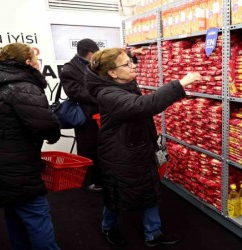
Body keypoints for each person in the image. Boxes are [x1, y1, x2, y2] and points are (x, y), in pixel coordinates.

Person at [84, 47, 201, 247]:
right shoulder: (107, 93)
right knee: (116, 193)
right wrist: (180, 84)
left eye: (132, 62)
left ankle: (153, 234)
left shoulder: (123, 82)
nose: (133, 66)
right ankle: (108, 227)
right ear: (112, 73)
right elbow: (142, 105)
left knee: (149, 190)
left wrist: (129, 52)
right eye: (127, 64)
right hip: (118, 154)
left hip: (139, 147)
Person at [0, 43, 61, 249]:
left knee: (14, 214)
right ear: (28, 63)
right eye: (36, 59)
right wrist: (54, 133)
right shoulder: (24, 87)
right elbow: (45, 124)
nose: (39, 64)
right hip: (15, 168)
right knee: (36, 215)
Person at [59, 38, 102, 192]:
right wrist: (101, 96)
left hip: (99, 114)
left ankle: (100, 179)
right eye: (95, 53)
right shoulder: (69, 69)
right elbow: (75, 92)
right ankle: (88, 181)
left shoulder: (94, 64)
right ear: (89, 53)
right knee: (87, 148)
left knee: (101, 148)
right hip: (85, 116)